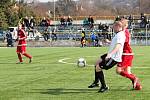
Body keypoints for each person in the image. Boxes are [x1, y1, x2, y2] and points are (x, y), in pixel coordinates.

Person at [88, 21, 125, 93]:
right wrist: (109, 42)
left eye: (114, 26)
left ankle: (104, 86)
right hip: (110, 54)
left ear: (118, 26)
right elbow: (115, 43)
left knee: (98, 67)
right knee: (96, 63)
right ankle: (96, 82)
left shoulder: (120, 35)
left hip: (114, 57)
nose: (112, 28)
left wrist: (110, 54)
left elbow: (119, 45)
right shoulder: (118, 34)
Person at [116, 19, 142, 90]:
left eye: (120, 23)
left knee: (118, 70)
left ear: (123, 25)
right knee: (128, 72)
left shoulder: (125, 32)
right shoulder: (123, 32)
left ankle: (134, 78)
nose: (119, 24)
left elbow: (124, 42)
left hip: (126, 54)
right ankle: (138, 86)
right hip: (128, 53)